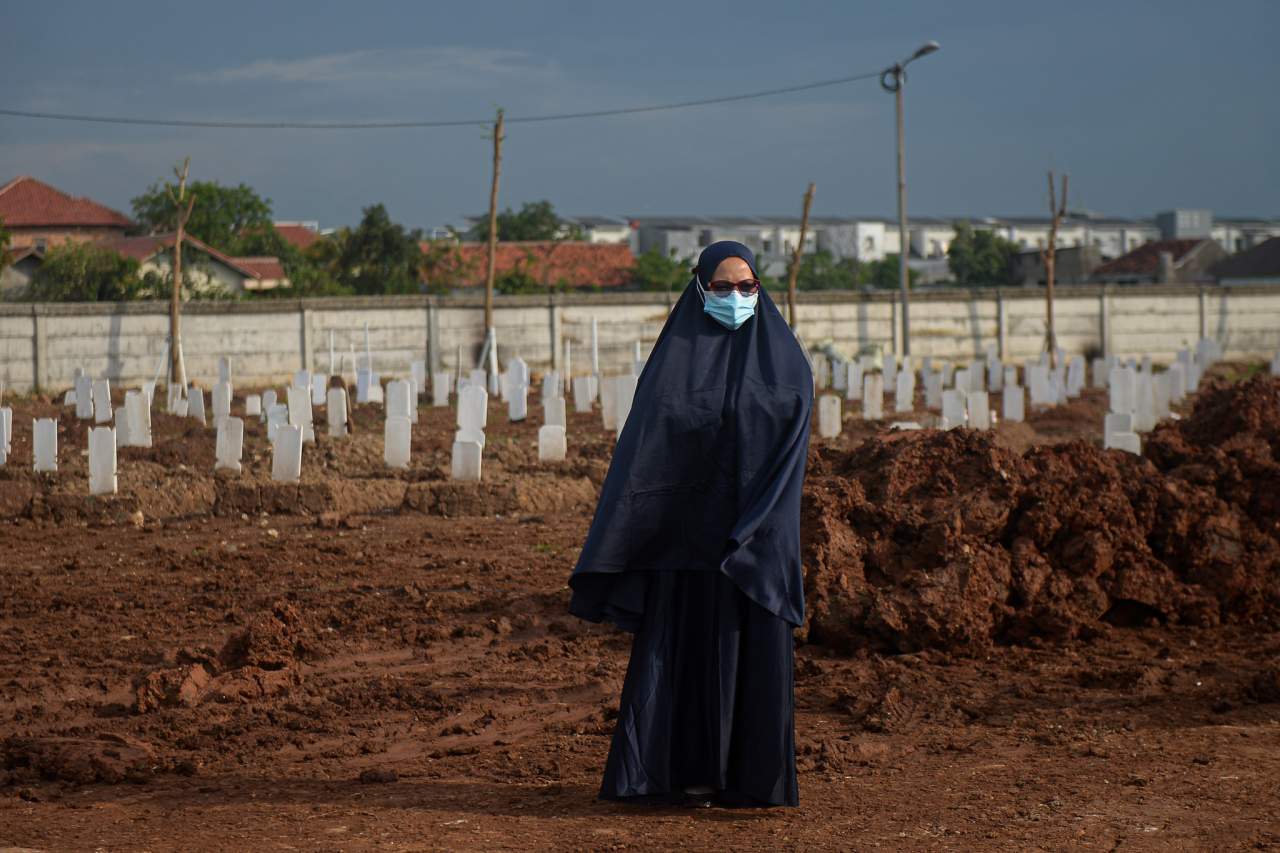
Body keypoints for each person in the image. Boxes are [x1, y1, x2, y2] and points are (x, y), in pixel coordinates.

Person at [568, 240, 813, 808]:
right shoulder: (672, 362)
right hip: (685, 541)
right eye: (723, 287)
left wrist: (754, 525)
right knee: (686, 655)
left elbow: (790, 441)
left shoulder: (785, 359)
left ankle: (750, 782)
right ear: (699, 287)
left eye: (747, 287)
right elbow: (648, 446)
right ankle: (676, 775)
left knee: (749, 653)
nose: (736, 298)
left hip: (756, 539)